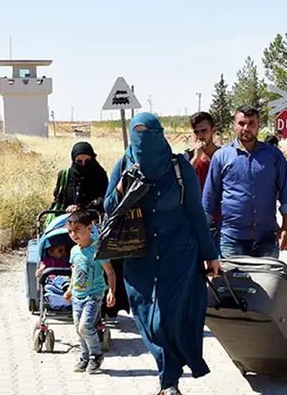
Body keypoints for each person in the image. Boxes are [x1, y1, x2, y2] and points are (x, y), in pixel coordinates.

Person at [104, 113, 220, 395]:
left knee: (164, 320)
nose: (144, 141)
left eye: (150, 133)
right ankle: (170, 377)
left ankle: (169, 382)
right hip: (138, 255)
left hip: (178, 254)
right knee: (145, 317)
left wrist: (211, 255)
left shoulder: (179, 167)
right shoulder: (125, 164)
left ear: (160, 134)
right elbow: (108, 206)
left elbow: (196, 213)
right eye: (138, 134)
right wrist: (122, 187)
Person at [204, 106, 287, 258]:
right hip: (231, 239)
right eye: (241, 123)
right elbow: (210, 197)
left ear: (259, 125)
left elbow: (286, 194)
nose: (246, 128)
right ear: (234, 125)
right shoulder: (221, 156)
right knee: (231, 275)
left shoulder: (273, 156)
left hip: (267, 238)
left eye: (251, 123)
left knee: (268, 275)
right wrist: (204, 236)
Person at [63, 210, 117, 374]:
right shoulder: (74, 250)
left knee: (85, 326)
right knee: (78, 328)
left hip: (93, 295)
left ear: (89, 228)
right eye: (70, 231)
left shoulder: (98, 250)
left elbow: (110, 272)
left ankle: (96, 354)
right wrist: (70, 289)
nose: (73, 235)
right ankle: (84, 356)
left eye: (77, 230)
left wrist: (112, 292)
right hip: (77, 296)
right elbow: (75, 271)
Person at [50, 142, 110, 215]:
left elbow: (104, 198)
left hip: (93, 217)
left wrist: (81, 208)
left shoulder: (100, 175)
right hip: (65, 217)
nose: (83, 164)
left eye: (87, 161)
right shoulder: (65, 176)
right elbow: (58, 200)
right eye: (79, 161)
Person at [186, 111, 219, 193]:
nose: (200, 136)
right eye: (196, 132)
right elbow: (185, 177)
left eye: (203, 131)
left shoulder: (223, 155)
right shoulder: (189, 156)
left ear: (213, 129)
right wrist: (196, 158)